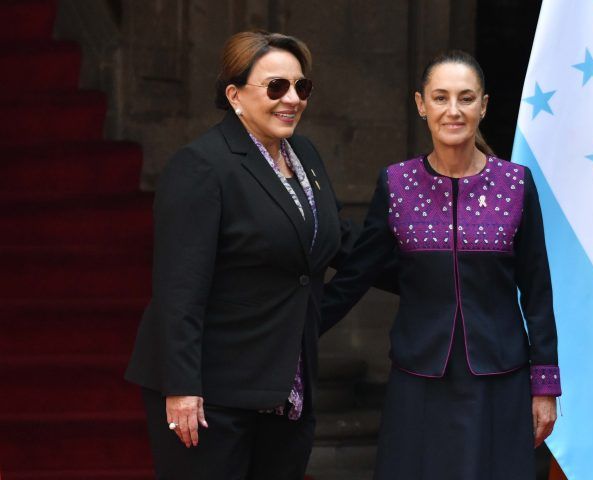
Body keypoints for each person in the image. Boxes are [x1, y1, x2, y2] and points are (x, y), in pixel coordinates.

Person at [125, 30, 356, 479]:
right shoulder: (201, 165)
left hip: (285, 386)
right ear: (235, 95)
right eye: (276, 86)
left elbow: (336, 242)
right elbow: (179, 289)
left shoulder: (305, 154)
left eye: (302, 86)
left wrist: (437, 259)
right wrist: (182, 386)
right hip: (211, 391)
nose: (292, 99)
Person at [321, 50, 561, 479]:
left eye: (466, 98)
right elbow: (357, 275)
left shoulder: (515, 184)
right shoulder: (396, 183)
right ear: (421, 104)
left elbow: (537, 289)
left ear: (483, 106)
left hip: (500, 377)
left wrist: (545, 386)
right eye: (440, 97)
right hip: (419, 377)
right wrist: (295, 331)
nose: (453, 110)